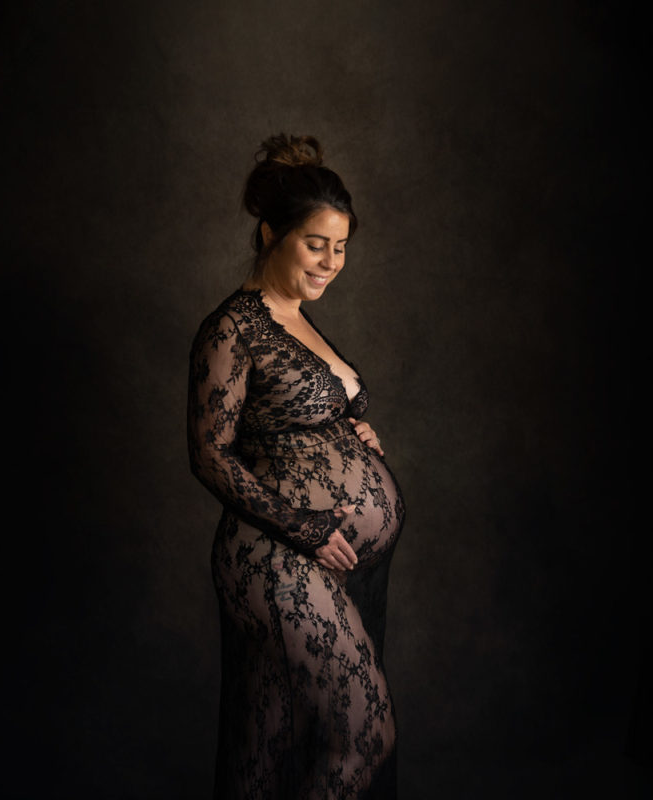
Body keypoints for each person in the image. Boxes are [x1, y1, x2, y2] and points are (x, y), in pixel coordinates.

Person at [188, 134, 405, 799]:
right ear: (269, 233)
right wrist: (304, 527)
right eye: (316, 244)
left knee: (266, 756)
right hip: (276, 555)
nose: (332, 262)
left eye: (341, 247)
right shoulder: (234, 327)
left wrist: (350, 423)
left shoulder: (300, 319)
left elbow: (294, 414)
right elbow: (209, 452)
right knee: (364, 733)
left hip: (318, 567)